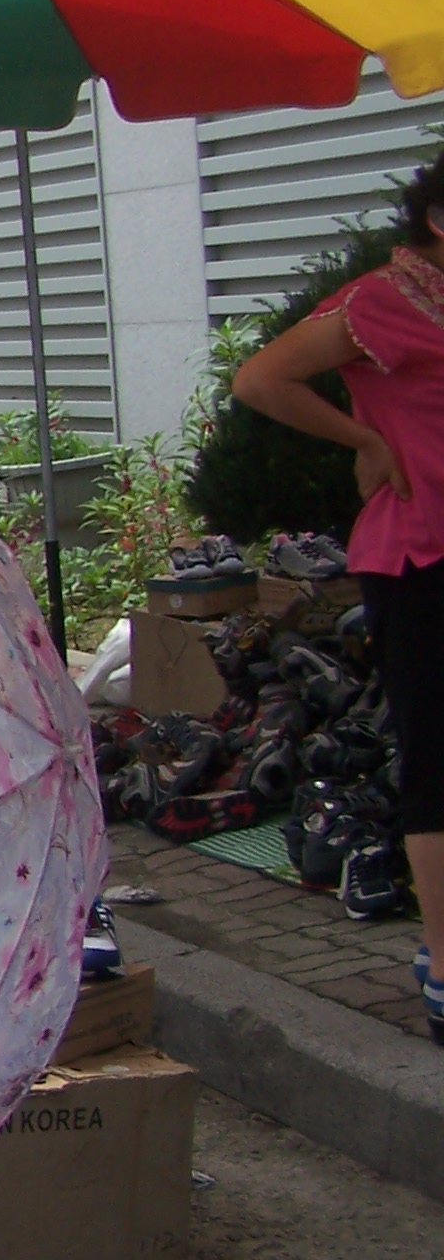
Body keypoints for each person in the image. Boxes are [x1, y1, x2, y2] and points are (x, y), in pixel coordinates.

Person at [233, 153, 444, 1044]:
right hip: (420, 553)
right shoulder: (385, 300)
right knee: (437, 759)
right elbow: (260, 379)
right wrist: (363, 438)